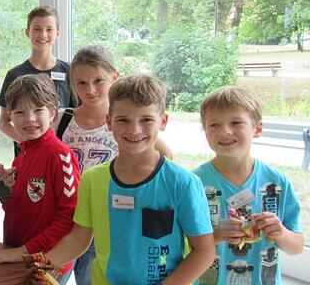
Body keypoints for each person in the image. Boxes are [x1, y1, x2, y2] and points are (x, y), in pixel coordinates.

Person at [40, 74, 215, 284]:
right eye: (123, 120)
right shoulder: (92, 180)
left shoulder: (183, 183)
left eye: (146, 120)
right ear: (109, 121)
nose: (134, 130)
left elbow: (204, 252)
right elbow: (78, 239)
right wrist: (41, 265)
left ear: (163, 121)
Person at [54, 45, 174, 284]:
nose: (90, 90)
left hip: (105, 221)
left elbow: (164, 157)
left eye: (98, 81)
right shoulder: (61, 118)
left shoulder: (124, 122)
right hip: (65, 220)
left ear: (114, 77)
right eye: (81, 83)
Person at [193, 86, 304, 285]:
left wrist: (281, 233)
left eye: (236, 122)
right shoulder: (193, 184)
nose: (225, 131)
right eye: (214, 125)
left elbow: (296, 247)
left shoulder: (277, 183)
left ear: (257, 129)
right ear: (205, 132)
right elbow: (183, 245)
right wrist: (217, 234)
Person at [0, 74, 80, 283]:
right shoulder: (21, 156)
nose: (30, 119)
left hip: (47, 262)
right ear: (10, 117)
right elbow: (18, 208)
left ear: (52, 113)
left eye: (38, 110)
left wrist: (23, 251)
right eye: (20, 112)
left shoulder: (61, 156)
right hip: (18, 253)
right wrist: (4, 192)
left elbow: (69, 219)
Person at [0, 5, 74, 156]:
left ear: (58, 33)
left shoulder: (70, 72)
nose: (43, 34)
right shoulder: (14, 74)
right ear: (28, 32)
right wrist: (28, 142)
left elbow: (77, 116)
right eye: (37, 29)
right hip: (27, 155)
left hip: (60, 153)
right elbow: (4, 122)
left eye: (49, 29)